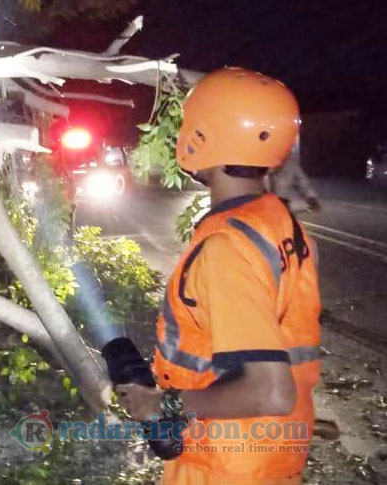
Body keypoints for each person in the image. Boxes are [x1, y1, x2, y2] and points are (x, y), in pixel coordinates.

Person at [116, 68, 322, 484]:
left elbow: (270, 391)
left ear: (202, 136)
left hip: (227, 466)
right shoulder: (285, 226)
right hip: (271, 457)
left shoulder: (226, 249)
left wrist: (162, 405)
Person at [267, 136, 321, 213]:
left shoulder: (290, 165)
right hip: (267, 208)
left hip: (286, 207)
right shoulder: (263, 167)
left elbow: (303, 183)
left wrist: (311, 197)